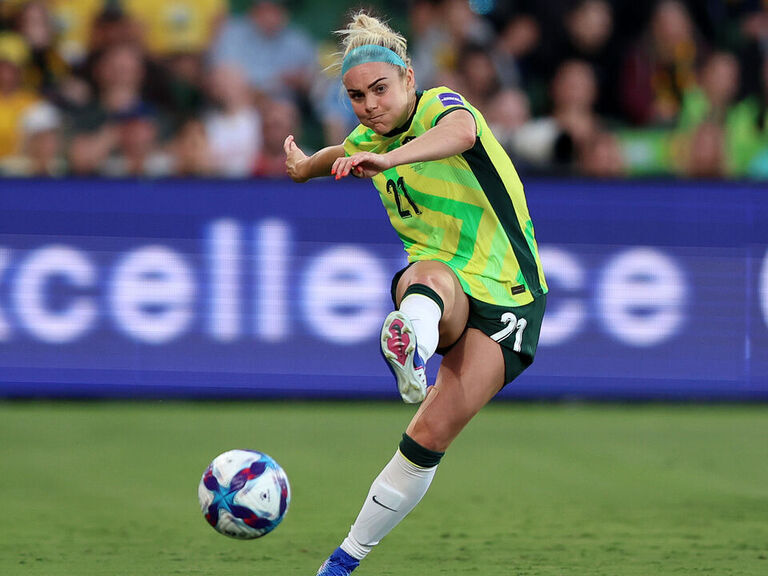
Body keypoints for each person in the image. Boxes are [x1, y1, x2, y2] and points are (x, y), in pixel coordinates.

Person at [283, 12, 548, 576]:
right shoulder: (362, 139)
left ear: (407, 76)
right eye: (356, 96)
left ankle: (414, 344)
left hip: (511, 296)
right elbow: (343, 151)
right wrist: (308, 167)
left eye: (380, 89)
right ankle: (339, 567)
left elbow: (464, 134)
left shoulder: (440, 106)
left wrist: (390, 158)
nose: (370, 104)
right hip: (443, 286)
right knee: (424, 273)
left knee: (427, 435)